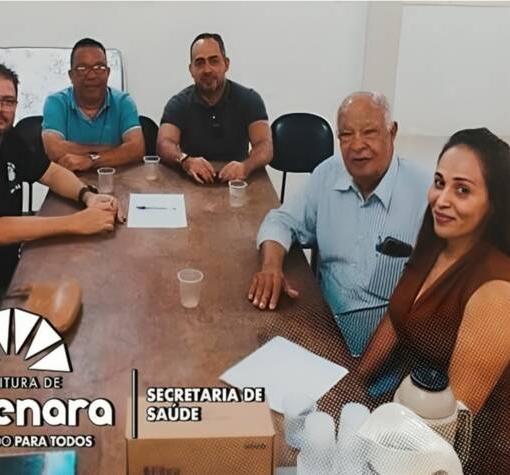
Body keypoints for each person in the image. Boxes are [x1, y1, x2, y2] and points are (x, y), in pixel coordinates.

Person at [357, 128, 510, 472]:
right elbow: (397, 317)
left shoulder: (497, 291)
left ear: (494, 204)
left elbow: (450, 428)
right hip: (406, 414)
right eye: (439, 183)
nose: (442, 200)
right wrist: (355, 381)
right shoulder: (437, 239)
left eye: (462, 190)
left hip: (462, 455)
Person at [249, 92, 432, 356]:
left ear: (392, 133)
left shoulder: (426, 192)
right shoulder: (328, 173)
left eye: (369, 132)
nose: (357, 145)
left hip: (391, 349)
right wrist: (270, 267)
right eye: (346, 135)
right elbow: (281, 220)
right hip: (325, 330)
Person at [0, 63, 120, 294]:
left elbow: (51, 172)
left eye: (8, 102)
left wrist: (88, 196)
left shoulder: (8, 138)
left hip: (14, 269)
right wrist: (77, 223)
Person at [157, 32, 273, 184]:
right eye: (200, 63)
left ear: (226, 64)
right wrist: (185, 160)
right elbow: (164, 144)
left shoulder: (249, 99)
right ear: (191, 70)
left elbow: (265, 145)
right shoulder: (178, 103)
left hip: (238, 181)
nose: (207, 70)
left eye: (214, 61)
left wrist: (246, 167)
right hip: (193, 181)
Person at [42, 38, 146, 171]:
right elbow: (54, 150)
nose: (91, 76)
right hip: (68, 180)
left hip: (116, 179)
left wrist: (91, 160)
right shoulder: (56, 102)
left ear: (108, 73)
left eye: (99, 68)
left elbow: (136, 149)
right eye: (82, 68)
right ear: (71, 75)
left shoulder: (123, 102)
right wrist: (113, 149)